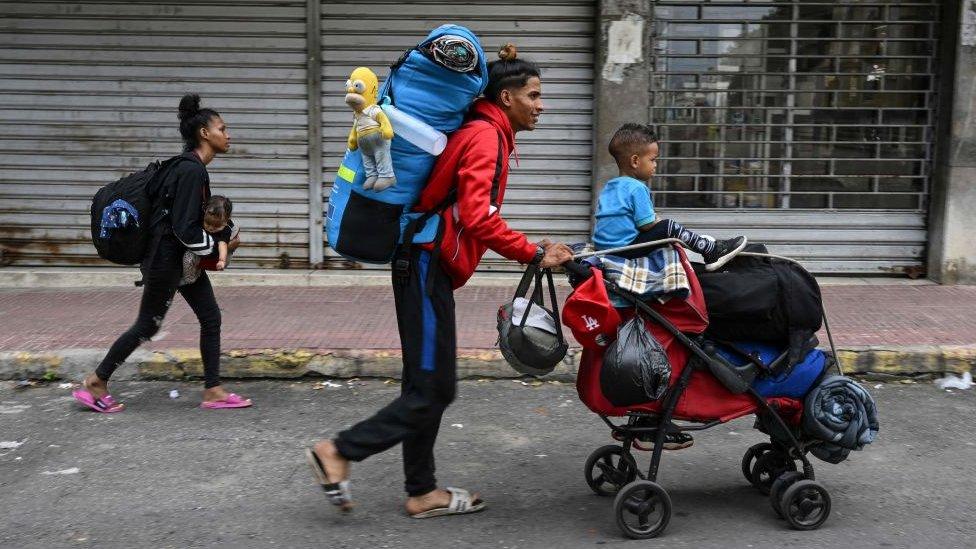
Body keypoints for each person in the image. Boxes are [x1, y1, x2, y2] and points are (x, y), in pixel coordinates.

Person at [307, 43, 574, 518]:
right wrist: (533, 251)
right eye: (534, 94)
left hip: (424, 264)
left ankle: (421, 490)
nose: (542, 104)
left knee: (423, 385)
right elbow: (477, 217)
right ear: (507, 98)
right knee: (434, 389)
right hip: (425, 264)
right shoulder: (486, 137)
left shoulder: (482, 128)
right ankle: (339, 451)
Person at [72, 94, 251, 413]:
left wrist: (223, 232)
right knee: (147, 325)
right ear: (205, 134)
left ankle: (213, 390)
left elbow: (190, 218)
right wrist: (219, 251)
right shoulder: (191, 171)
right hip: (166, 263)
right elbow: (185, 228)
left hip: (182, 262)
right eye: (223, 128)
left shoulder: (189, 168)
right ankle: (96, 382)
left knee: (211, 318)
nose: (229, 134)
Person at [593, 123, 747, 270]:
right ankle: (711, 250)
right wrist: (658, 222)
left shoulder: (610, 186)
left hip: (605, 249)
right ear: (635, 161)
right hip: (626, 250)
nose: (655, 165)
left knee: (663, 228)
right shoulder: (637, 188)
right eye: (652, 160)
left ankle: (702, 244)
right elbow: (646, 225)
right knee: (668, 227)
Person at [179, 195, 238, 286]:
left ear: (227, 220)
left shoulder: (226, 229)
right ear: (204, 212)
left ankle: (189, 279)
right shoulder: (199, 217)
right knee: (188, 256)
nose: (210, 228)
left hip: (218, 258)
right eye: (208, 223)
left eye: (216, 226)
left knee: (189, 256)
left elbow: (222, 244)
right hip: (204, 253)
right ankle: (194, 271)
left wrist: (222, 260)